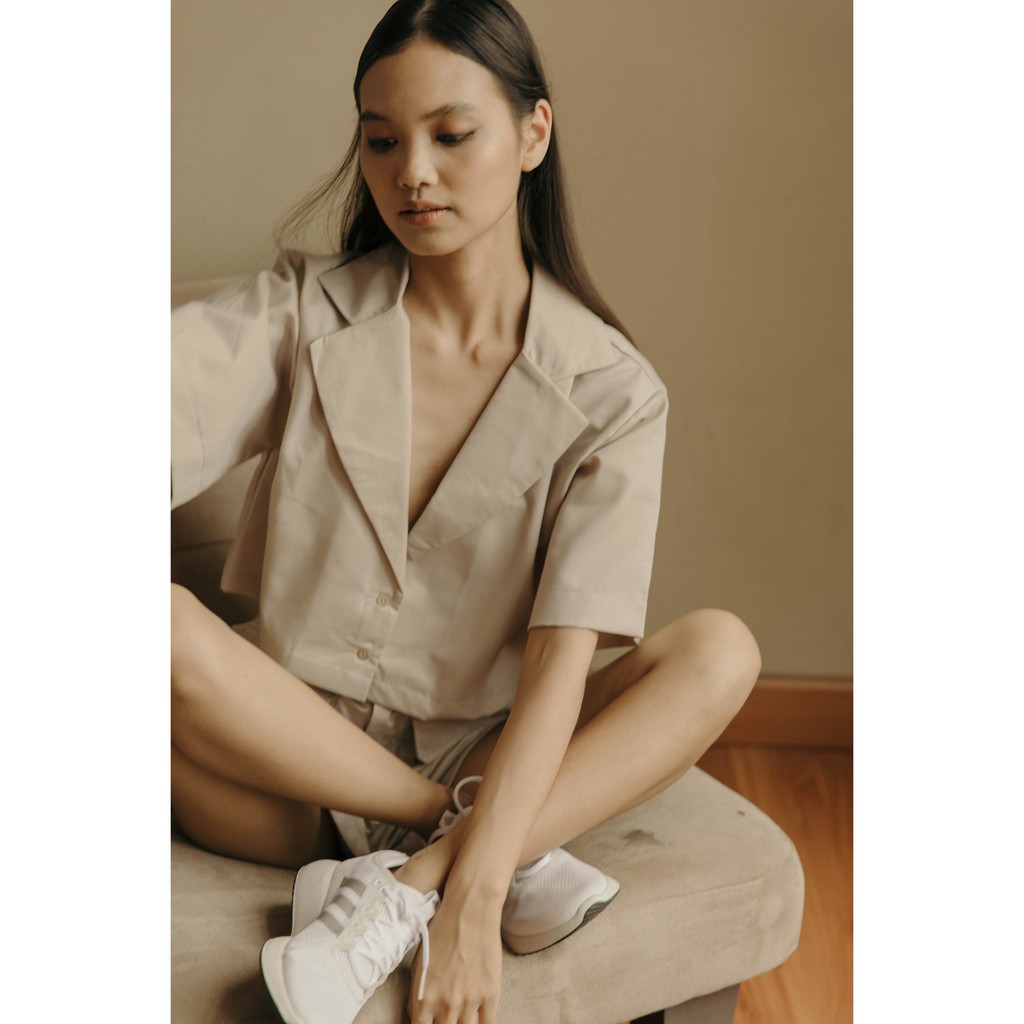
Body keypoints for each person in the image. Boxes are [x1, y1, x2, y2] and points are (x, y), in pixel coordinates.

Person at [170, 1, 761, 1022]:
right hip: (286, 769)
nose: (413, 173)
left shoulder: (614, 392)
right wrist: (485, 833)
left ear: (533, 134)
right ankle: (456, 831)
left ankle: (419, 877)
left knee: (721, 650)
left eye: (451, 135)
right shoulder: (301, 310)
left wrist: (472, 897)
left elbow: (558, 665)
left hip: (487, 748)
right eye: (382, 141)